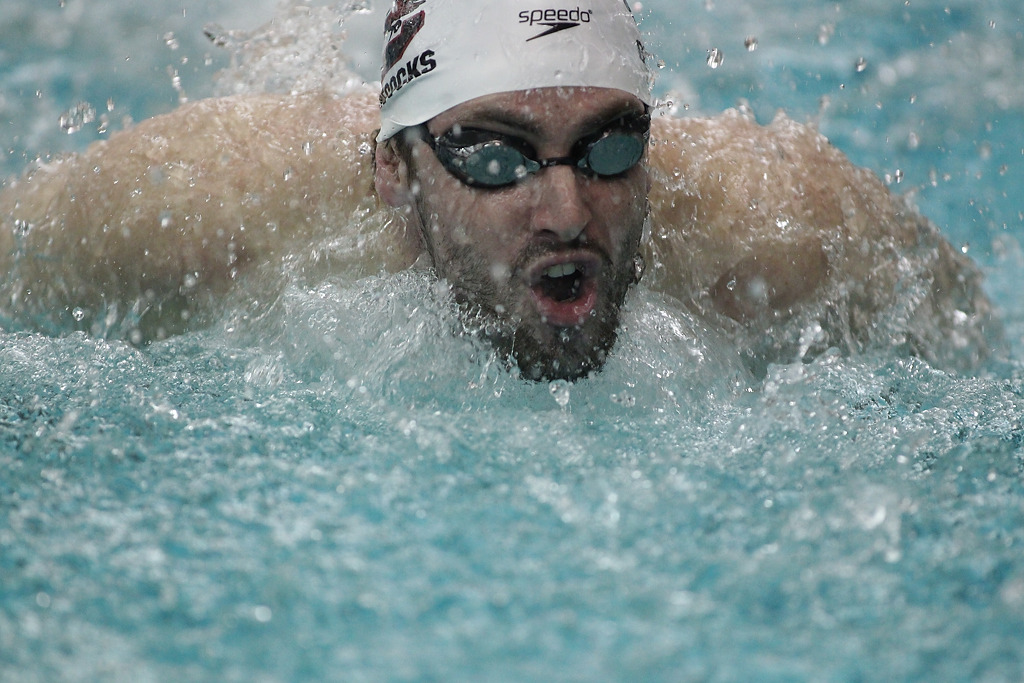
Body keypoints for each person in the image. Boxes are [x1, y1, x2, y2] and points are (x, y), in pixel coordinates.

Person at [0, 0, 995, 380]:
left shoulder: (789, 230)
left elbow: (980, 351)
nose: (566, 212)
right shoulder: (200, 207)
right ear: (393, 169)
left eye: (609, 145)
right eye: (494, 156)